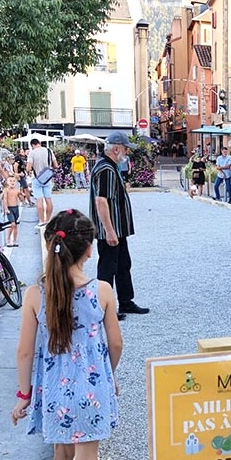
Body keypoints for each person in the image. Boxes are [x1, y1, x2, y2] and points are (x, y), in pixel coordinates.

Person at [11, 209, 122, 460]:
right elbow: (116, 344)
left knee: (61, 453)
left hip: (55, 393)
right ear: (90, 250)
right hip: (92, 391)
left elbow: (25, 353)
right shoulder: (102, 291)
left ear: (50, 246)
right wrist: (109, 375)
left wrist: (23, 395)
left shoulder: (35, 295)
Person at [91, 131, 150, 320]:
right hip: (111, 229)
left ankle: (125, 301)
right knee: (108, 268)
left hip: (117, 229)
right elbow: (101, 201)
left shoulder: (110, 167)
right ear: (116, 149)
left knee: (123, 264)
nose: (127, 153)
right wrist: (109, 230)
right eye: (125, 149)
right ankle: (105, 308)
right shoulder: (106, 169)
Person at [27, 139, 57, 225]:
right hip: (47, 178)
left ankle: (42, 220)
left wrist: (32, 169)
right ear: (39, 143)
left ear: (32, 145)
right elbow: (56, 165)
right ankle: (48, 219)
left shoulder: (32, 153)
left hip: (37, 178)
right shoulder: (49, 151)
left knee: (39, 200)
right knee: (48, 199)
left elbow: (28, 168)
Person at [4, 177, 22, 247]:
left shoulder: (17, 190)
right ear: (7, 182)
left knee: (15, 226)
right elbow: (5, 199)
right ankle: (8, 239)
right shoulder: (6, 190)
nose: (12, 182)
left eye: (14, 181)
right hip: (10, 208)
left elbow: (21, 199)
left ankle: (14, 240)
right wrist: (6, 208)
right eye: (10, 181)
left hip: (16, 208)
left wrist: (22, 195)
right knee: (12, 224)